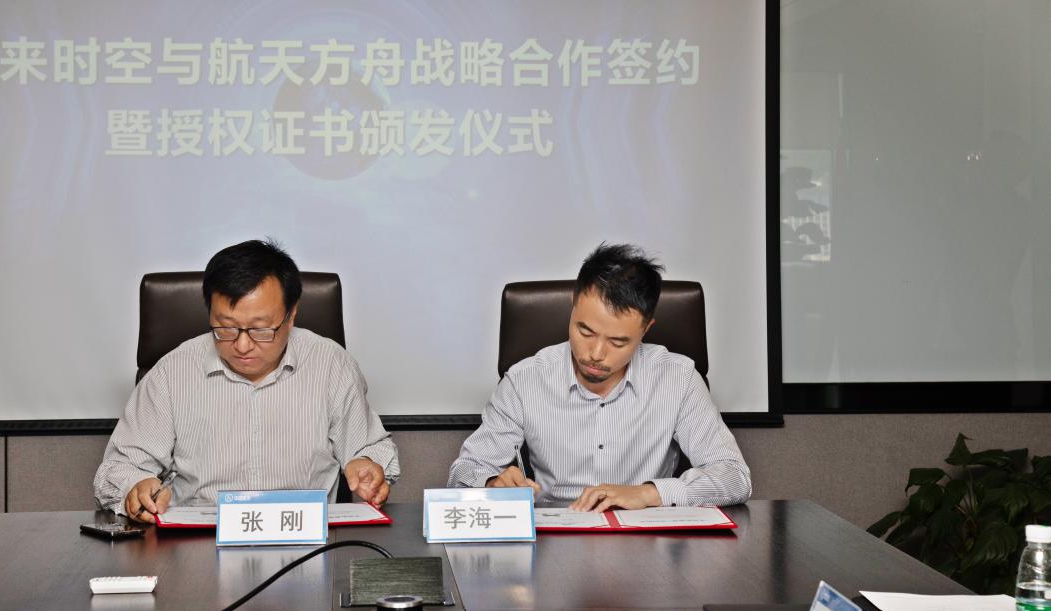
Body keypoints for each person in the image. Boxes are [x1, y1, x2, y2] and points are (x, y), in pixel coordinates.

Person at [94, 239, 399, 522]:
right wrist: (136, 485)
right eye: (225, 327)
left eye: (261, 329)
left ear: (291, 315)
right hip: (196, 543)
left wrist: (367, 463)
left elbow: (370, 447)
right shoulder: (172, 373)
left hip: (303, 539)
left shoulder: (331, 365)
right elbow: (117, 469)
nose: (242, 345)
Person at [447, 243, 750, 511]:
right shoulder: (524, 380)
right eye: (585, 331)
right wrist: (492, 484)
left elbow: (735, 477)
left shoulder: (678, 379)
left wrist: (649, 493)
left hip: (645, 540)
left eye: (618, 342)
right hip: (555, 538)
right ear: (573, 305)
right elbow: (464, 472)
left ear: (646, 329)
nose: (595, 353)